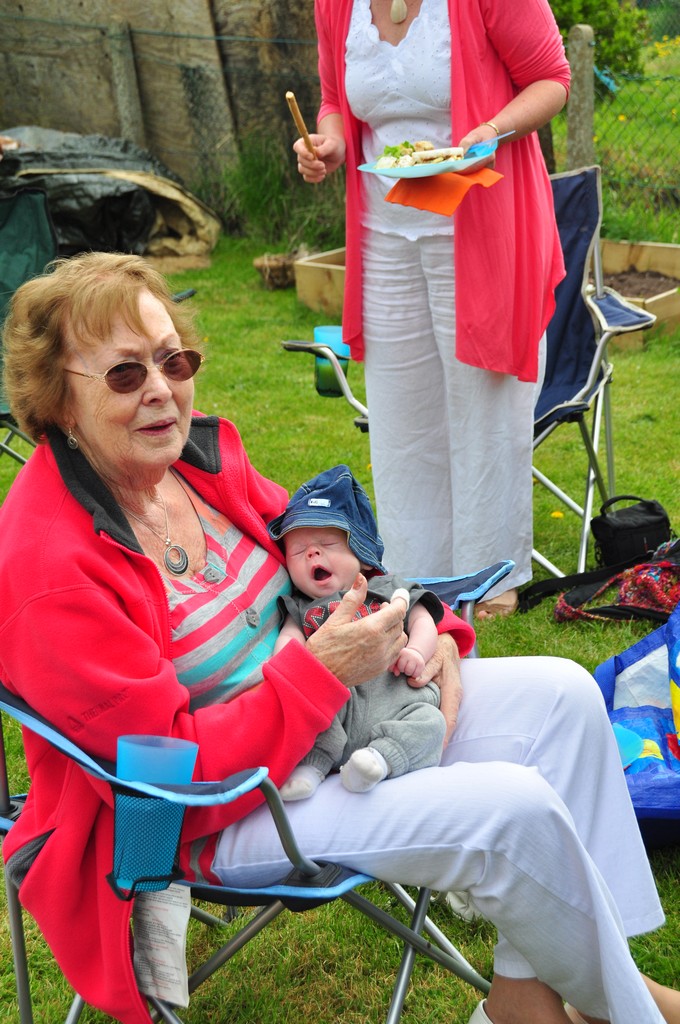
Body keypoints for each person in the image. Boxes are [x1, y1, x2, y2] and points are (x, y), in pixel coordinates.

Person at [0, 252, 679, 1024]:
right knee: (511, 809)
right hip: (219, 808)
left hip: (340, 715)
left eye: (173, 360)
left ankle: (532, 997)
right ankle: (634, 1013)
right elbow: (164, 780)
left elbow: (337, 559)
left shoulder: (194, 465)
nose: (161, 389)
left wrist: (429, 625)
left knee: (564, 697)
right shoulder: (53, 567)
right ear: (57, 400)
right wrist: (319, 676)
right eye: (126, 374)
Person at [293, 0, 571, 618]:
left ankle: (490, 579)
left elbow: (552, 80)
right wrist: (329, 142)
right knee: (401, 412)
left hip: (479, 222)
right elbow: (336, 99)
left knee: (484, 405)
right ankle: (415, 575)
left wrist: (492, 129)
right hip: (384, 234)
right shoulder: (335, 5)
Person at [268, 463, 447, 800]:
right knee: (315, 718)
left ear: (364, 557)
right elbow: (289, 639)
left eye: (327, 543)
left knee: (430, 723)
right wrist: (290, 662)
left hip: (396, 701)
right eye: (298, 550)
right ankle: (312, 767)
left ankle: (378, 760)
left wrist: (416, 651)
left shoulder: (389, 588)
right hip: (339, 705)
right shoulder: (301, 607)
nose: (312, 552)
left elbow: (423, 621)